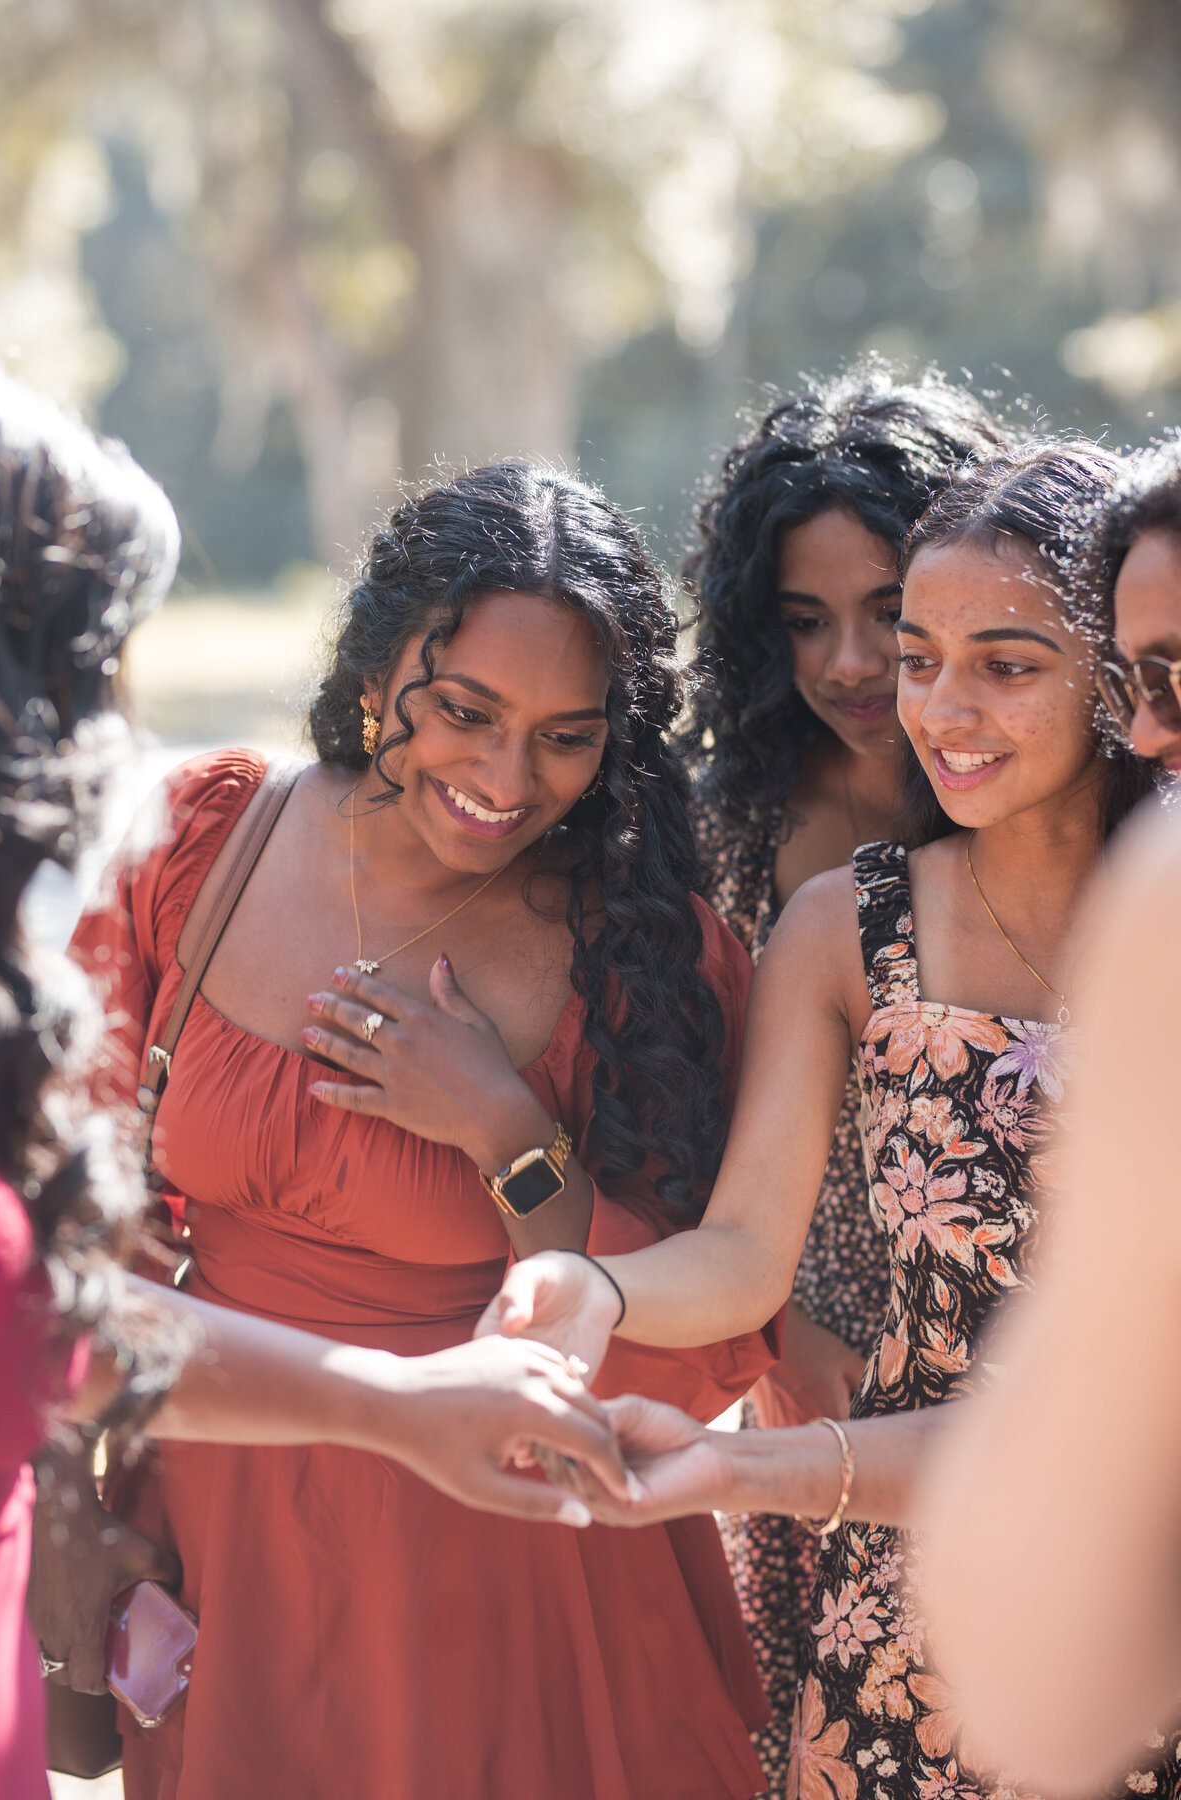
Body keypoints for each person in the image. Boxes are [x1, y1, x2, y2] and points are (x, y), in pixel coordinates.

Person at [32, 461, 779, 1800]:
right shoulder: (210, 842)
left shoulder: (646, 954)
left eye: (566, 733)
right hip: (232, 1511)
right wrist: (66, 1505)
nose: (506, 777)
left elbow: (688, 1329)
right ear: (379, 676)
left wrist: (509, 1131)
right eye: (464, 712)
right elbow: (53, 1223)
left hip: (508, 1551)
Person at [481, 439, 1164, 1793]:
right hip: (903, 1615)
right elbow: (744, 1250)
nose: (941, 709)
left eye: (1006, 666)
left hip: (1145, 1584)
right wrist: (591, 1288)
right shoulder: (847, 929)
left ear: (1116, 679)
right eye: (921, 659)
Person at [683, 362, 1011, 1788]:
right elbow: (700, 1132)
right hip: (802, 1371)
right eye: (805, 621)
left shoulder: (1069, 813)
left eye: (890, 612)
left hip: (1013, 1359)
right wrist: (781, 1351)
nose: (849, 666)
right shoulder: (734, 841)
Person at [916, 441, 1181, 1792]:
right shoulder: (852, 922)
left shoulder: (1167, 908)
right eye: (1143, 680)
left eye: (1173, 677)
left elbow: (1050, 1687)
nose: (1151, 732)